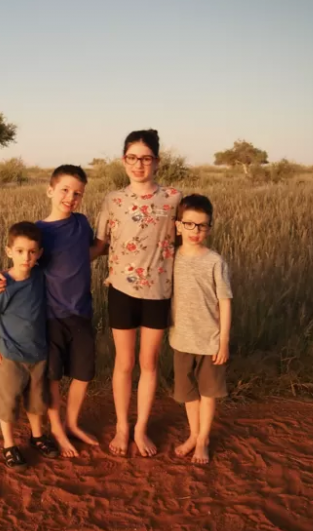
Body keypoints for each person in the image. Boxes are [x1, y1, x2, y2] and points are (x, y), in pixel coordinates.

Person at [0, 165, 103, 458]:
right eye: (65, 190)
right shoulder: (41, 231)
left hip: (81, 311)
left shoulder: (81, 223)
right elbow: (23, 264)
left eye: (77, 193)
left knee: (83, 373)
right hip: (51, 317)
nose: (70, 197)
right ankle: (56, 430)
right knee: (51, 378)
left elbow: (84, 254)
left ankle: (73, 424)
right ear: (50, 190)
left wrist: (108, 245)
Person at [94, 129, 182, 457]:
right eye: (132, 158)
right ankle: (121, 427)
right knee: (124, 362)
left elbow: (187, 241)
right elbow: (100, 246)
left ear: (157, 162)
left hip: (158, 292)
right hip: (120, 290)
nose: (139, 165)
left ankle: (141, 428)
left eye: (145, 158)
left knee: (149, 362)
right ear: (123, 161)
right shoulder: (112, 200)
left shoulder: (174, 198)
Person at [0, 221, 60, 471]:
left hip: (38, 353)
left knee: (37, 400)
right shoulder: (4, 284)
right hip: (11, 356)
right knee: (8, 403)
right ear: (9, 251)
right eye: (19, 251)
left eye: (31, 252)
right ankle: (9, 445)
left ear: (38, 254)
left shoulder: (39, 275)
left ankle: (37, 436)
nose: (25, 257)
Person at [170, 194, 232, 464]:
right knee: (189, 395)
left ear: (209, 227)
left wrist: (224, 341)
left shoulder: (214, 261)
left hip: (209, 341)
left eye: (202, 226)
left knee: (208, 394)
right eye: (190, 224)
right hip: (181, 340)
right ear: (178, 225)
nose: (196, 231)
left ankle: (204, 439)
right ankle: (193, 435)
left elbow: (225, 302)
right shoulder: (171, 258)